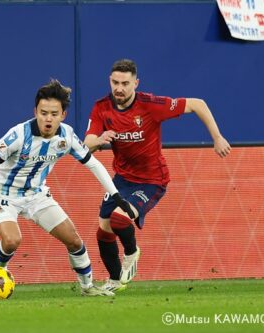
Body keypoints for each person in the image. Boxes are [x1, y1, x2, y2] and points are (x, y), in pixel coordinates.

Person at [0, 79, 133, 297]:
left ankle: (87, 287)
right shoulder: (19, 134)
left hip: (37, 196)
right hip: (4, 195)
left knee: (74, 240)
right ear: (35, 111)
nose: (48, 118)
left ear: (63, 115)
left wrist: (116, 195)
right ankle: (0, 270)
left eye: (54, 114)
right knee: (12, 240)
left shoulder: (67, 136)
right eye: (43, 112)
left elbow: (92, 162)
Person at [84, 59, 231, 292]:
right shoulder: (102, 106)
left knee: (119, 219)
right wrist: (99, 140)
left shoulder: (151, 105)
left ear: (135, 83)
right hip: (121, 179)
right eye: (115, 82)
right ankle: (114, 280)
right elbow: (87, 143)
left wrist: (217, 137)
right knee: (103, 229)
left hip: (152, 180)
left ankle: (132, 253)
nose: (119, 88)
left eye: (125, 83)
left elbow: (198, 104)